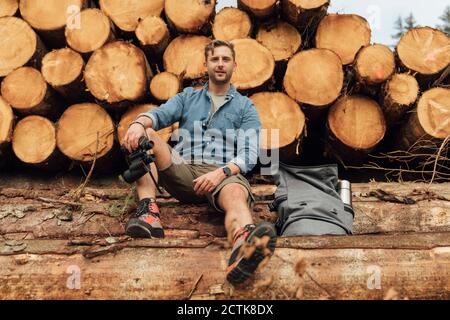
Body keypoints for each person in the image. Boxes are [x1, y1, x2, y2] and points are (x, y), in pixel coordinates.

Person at [122, 40, 277, 284]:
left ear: (234, 65)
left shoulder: (246, 107)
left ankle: (243, 246)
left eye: (226, 59)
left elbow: (249, 155)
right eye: (215, 59)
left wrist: (221, 173)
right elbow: (159, 115)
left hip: (223, 175)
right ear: (205, 65)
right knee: (147, 135)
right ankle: (148, 214)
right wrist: (138, 123)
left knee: (236, 192)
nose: (220, 64)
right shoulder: (187, 97)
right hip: (182, 168)